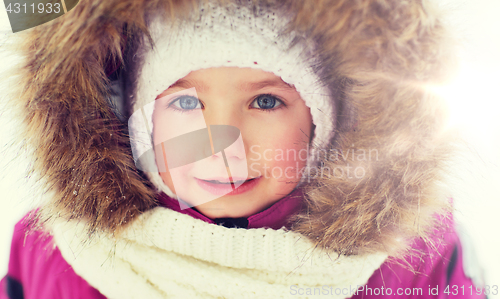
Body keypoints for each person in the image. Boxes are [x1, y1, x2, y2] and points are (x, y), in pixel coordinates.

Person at [0, 0, 487, 298]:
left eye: (266, 101)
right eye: (186, 102)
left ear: (329, 122)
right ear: (132, 118)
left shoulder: (412, 255)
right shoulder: (54, 253)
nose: (223, 145)